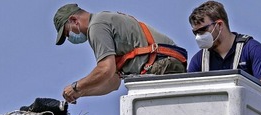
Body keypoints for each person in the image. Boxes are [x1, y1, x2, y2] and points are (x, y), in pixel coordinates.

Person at [54, 3, 188, 103]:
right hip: (167, 64)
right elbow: (112, 82)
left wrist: (76, 86)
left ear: (73, 20)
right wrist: (80, 92)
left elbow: (105, 70)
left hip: (160, 66)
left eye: (68, 32)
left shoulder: (96, 27)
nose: (70, 37)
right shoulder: (103, 20)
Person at [187, 1, 261, 88]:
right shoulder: (199, 60)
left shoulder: (251, 49)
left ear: (219, 25)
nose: (199, 36)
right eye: (196, 33)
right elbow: (187, 92)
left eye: (203, 30)